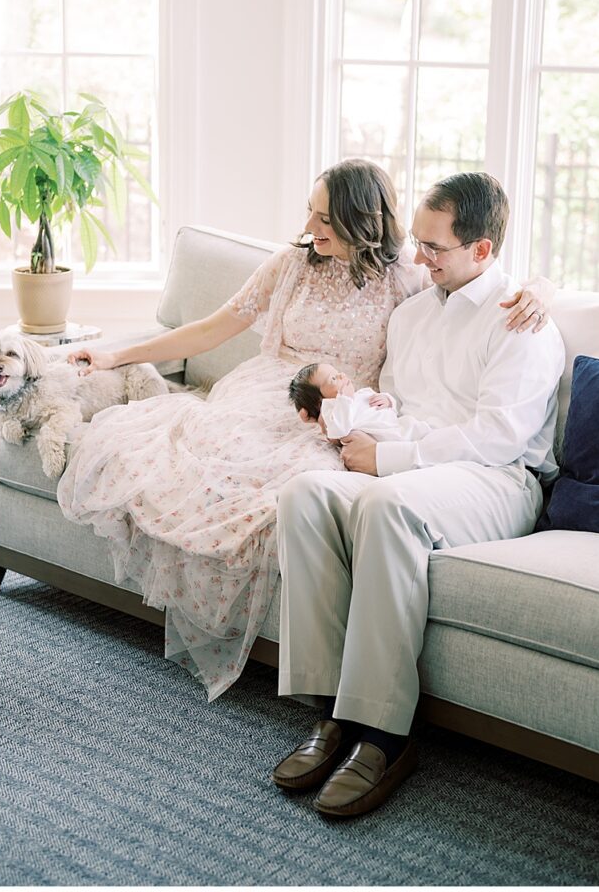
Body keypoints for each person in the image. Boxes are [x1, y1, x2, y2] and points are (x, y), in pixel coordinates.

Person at [57, 159, 550, 701]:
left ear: (362, 222)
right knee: (217, 467)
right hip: (280, 398)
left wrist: (539, 289)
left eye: (326, 221)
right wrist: (114, 356)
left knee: (303, 490)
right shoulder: (303, 267)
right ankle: (322, 699)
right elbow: (210, 328)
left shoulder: (411, 284)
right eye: (309, 214)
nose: (312, 230)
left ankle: (361, 715)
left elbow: (480, 295)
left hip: (355, 419)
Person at [271, 171, 565, 819]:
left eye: (435, 248)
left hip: (497, 482)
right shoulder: (409, 314)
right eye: (418, 243)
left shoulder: (520, 322)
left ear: (481, 250)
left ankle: (383, 736)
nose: (418, 258)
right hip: (416, 467)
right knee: (305, 495)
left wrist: (390, 461)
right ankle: (330, 714)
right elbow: (395, 404)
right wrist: (362, 437)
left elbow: (497, 438)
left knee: (384, 502)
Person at [288, 362, 401, 440]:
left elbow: (394, 407)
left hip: (399, 426)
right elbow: (339, 430)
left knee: (414, 424)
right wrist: (344, 400)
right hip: (387, 438)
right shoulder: (331, 412)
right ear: (320, 402)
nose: (342, 375)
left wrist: (388, 400)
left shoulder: (360, 394)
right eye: (333, 378)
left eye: (338, 372)